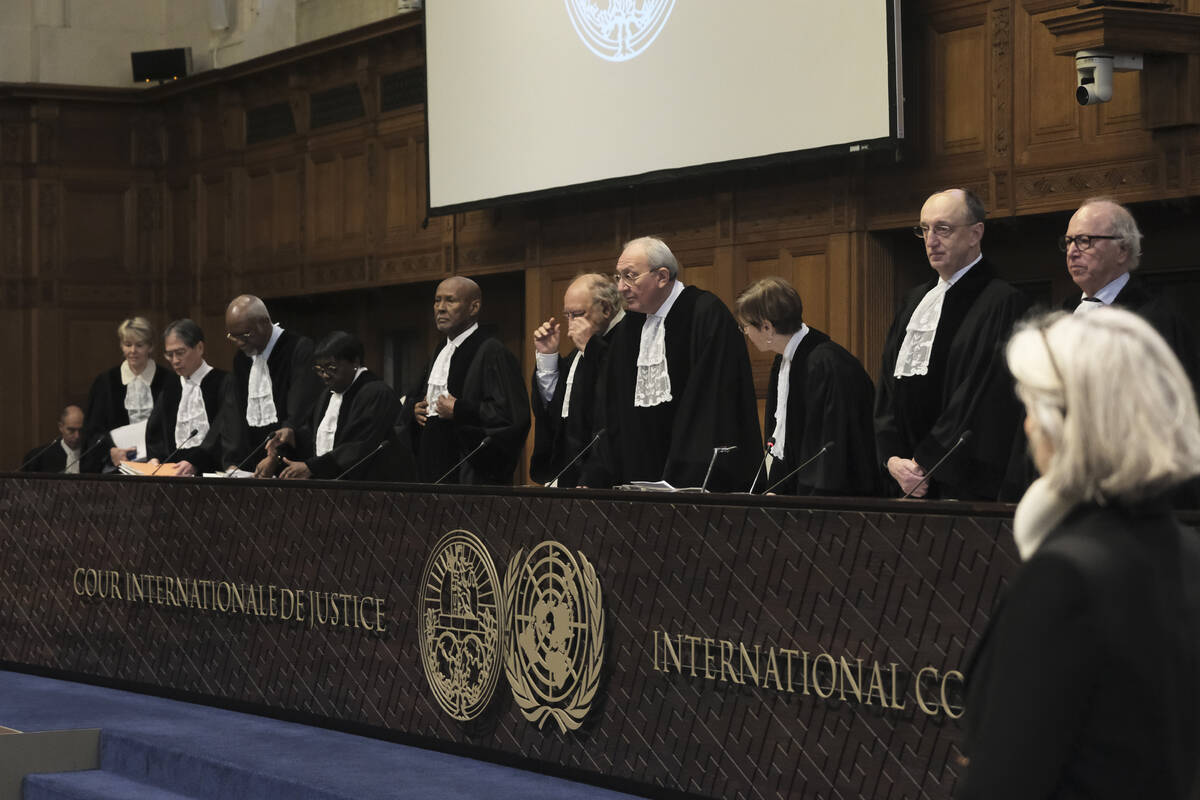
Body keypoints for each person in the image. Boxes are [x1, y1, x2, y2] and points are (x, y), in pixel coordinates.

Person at [956, 308, 1200, 800]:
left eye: (1031, 409)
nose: (1026, 428)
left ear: (1064, 424)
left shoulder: (1066, 577)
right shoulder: (1187, 553)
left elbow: (1006, 780)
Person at [875, 188, 1030, 500]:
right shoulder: (914, 301)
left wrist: (928, 461)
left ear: (975, 234)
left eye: (943, 229)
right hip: (905, 479)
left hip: (962, 482)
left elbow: (981, 393)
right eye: (924, 229)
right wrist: (892, 458)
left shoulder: (1003, 302)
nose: (931, 240)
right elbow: (888, 387)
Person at [580, 236, 760, 491]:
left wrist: (684, 480)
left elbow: (715, 406)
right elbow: (610, 410)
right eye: (618, 277)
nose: (620, 287)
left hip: (696, 486)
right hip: (635, 486)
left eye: (630, 276)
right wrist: (597, 475)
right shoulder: (627, 330)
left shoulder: (706, 314)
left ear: (662, 276)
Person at [735, 277, 879, 495]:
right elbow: (785, 442)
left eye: (745, 326)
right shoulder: (784, 361)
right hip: (801, 493)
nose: (746, 333)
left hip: (835, 500)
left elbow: (829, 449)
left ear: (766, 327)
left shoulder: (826, 365)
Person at [1060, 197, 1200, 397]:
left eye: (1084, 241)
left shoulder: (1155, 321)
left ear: (1122, 251)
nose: (1072, 252)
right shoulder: (1060, 314)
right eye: (1068, 241)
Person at [405, 276, 530, 485]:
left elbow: (511, 416)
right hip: (433, 469)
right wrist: (415, 409)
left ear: (474, 307)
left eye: (450, 301)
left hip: (469, 474)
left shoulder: (492, 352)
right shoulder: (440, 351)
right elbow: (418, 399)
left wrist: (460, 410)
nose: (440, 308)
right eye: (437, 300)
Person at [268, 331, 413, 481]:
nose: (325, 375)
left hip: (375, 489)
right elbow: (313, 436)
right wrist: (289, 441)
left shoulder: (376, 393)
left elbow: (359, 446)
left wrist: (313, 467)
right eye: (320, 369)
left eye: (332, 368)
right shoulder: (327, 395)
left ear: (355, 362)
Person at [530, 273, 625, 486]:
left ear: (607, 309)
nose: (571, 325)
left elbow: (613, 403)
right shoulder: (580, 350)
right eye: (567, 316)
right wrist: (548, 357)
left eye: (578, 315)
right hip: (570, 470)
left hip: (607, 476)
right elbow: (556, 410)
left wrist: (591, 347)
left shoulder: (627, 338)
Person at [221, 295, 322, 477]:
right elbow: (236, 416)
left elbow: (300, 415)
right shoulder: (241, 359)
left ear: (265, 322)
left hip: (292, 465)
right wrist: (233, 462)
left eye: (245, 334)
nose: (239, 342)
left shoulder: (298, 349)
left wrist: (276, 456)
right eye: (233, 336)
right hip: (254, 468)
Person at [143, 319, 230, 476]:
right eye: (169, 355)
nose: (175, 361)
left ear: (199, 347)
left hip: (212, 475)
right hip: (172, 477)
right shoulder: (170, 387)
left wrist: (196, 462)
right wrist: (155, 458)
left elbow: (223, 431)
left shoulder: (223, 382)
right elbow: (155, 433)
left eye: (180, 353)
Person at [82, 316, 169, 472]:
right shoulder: (106, 382)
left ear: (150, 347)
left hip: (159, 465)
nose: (133, 351)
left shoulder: (168, 380)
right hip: (116, 467)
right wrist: (110, 451)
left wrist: (157, 454)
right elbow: (93, 430)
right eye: (127, 345)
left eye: (139, 345)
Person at [20, 404, 90, 474]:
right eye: (71, 430)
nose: (77, 436)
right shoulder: (38, 457)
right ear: (60, 427)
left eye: (81, 430)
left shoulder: (92, 455)